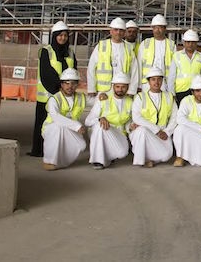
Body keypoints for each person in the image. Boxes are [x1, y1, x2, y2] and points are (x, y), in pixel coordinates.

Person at [31, 20, 76, 157]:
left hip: (64, 94)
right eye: (60, 35)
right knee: (42, 123)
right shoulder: (46, 51)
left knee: (60, 123)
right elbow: (46, 73)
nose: (63, 38)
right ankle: (38, 150)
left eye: (65, 35)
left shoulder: (70, 52)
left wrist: (69, 88)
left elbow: (74, 71)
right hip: (47, 95)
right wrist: (59, 89)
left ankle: (56, 149)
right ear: (54, 36)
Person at [129, 67, 177, 167]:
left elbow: (174, 117)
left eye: (159, 79)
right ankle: (141, 160)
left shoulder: (169, 96)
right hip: (145, 131)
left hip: (163, 132)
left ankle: (150, 159)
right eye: (153, 79)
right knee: (141, 131)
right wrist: (156, 130)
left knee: (167, 155)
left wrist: (167, 132)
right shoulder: (140, 97)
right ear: (148, 81)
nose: (156, 82)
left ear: (162, 80)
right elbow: (136, 117)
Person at [85, 72, 133, 169]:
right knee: (100, 125)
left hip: (118, 134)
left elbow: (128, 122)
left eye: (123, 87)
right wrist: (100, 118)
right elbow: (88, 121)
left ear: (127, 87)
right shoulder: (103, 99)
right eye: (117, 86)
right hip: (101, 132)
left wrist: (131, 128)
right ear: (113, 86)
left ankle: (106, 156)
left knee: (122, 153)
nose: (120, 89)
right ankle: (98, 160)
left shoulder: (130, 102)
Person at [42, 68, 87, 170]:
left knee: (81, 145)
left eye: (73, 83)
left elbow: (96, 102)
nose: (70, 86)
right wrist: (77, 126)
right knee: (58, 127)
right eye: (66, 83)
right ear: (61, 84)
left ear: (77, 85)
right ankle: (49, 161)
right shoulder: (55, 99)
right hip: (51, 129)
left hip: (69, 129)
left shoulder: (80, 97)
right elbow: (56, 117)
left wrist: (102, 96)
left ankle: (61, 162)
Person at [87, 17, 139, 99]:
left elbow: (134, 70)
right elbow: (91, 68)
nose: (118, 32)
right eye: (116, 30)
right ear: (110, 31)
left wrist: (132, 90)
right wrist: (91, 88)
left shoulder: (128, 48)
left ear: (124, 32)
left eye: (121, 30)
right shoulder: (101, 46)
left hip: (123, 90)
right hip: (104, 91)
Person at [167, 29, 201, 104]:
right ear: (184, 42)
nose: (190, 44)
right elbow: (171, 77)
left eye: (193, 42)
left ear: (196, 43)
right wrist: (171, 93)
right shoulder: (176, 56)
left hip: (196, 91)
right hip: (180, 91)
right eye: (188, 42)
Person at [137, 14, 175, 91]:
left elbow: (174, 68)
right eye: (155, 28)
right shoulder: (145, 43)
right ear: (152, 29)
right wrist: (139, 85)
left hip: (165, 83)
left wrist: (172, 87)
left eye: (160, 27)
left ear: (165, 29)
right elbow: (139, 65)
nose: (157, 30)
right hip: (146, 83)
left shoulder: (171, 45)